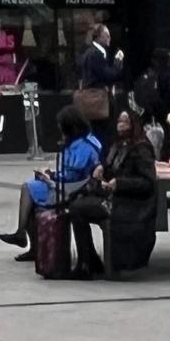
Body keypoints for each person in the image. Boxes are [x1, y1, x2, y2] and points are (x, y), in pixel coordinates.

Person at [0, 106, 103, 261]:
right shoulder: (87, 140)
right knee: (31, 193)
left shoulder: (82, 147)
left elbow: (72, 175)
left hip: (72, 190)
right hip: (72, 184)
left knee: (28, 188)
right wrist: (51, 174)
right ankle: (31, 244)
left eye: (61, 125)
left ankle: (23, 235)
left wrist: (51, 177)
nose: (59, 128)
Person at [67, 107, 160, 278]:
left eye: (125, 122)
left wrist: (120, 183)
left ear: (133, 124)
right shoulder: (118, 145)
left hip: (131, 203)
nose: (120, 125)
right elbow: (112, 169)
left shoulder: (141, 148)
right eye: (119, 121)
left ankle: (87, 263)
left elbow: (147, 183)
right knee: (76, 205)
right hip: (115, 197)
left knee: (77, 209)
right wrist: (101, 170)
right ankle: (88, 260)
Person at [76, 24, 125, 128]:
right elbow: (108, 76)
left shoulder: (90, 52)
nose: (110, 38)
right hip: (97, 102)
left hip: (95, 102)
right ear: (99, 37)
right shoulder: (95, 54)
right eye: (107, 35)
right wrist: (118, 62)